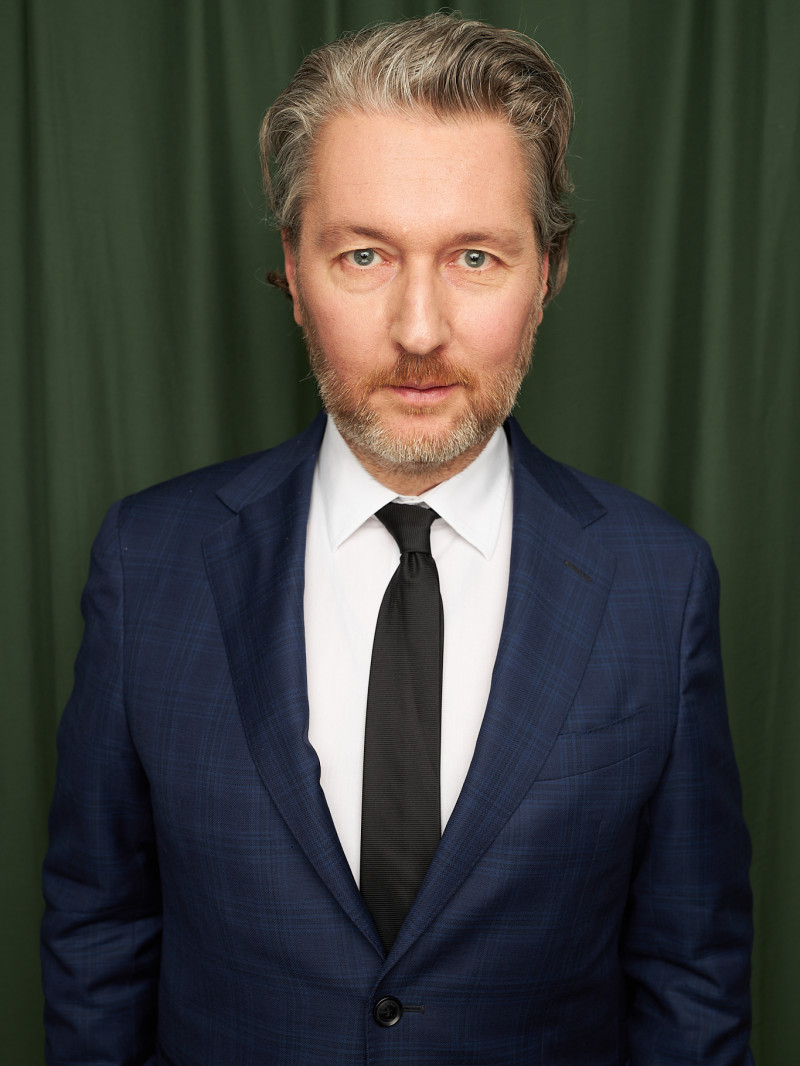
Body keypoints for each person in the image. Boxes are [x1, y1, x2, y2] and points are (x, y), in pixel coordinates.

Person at [41, 12, 753, 1065]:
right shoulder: (147, 565)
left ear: (546, 273)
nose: (419, 330)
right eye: (364, 254)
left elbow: (690, 979)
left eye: (475, 256)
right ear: (293, 272)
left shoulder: (661, 584)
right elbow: (98, 933)